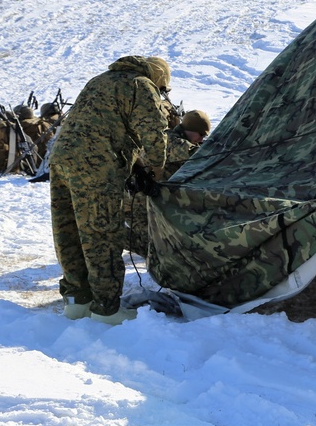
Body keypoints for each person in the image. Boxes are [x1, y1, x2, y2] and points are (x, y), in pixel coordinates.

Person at [50, 56, 170, 325]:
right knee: (101, 233)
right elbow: (153, 130)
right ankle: (106, 309)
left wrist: (135, 164)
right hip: (95, 164)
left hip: (61, 159)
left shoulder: (100, 80)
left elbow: (104, 124)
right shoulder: (142, 85)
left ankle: (77, 300)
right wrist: (155, 171)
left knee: (67, 228)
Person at [126, 109, 211, 256]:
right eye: (201, 134)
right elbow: (197, 155)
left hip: (152, 203)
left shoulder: (175, 138)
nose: (202, 139)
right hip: (139, 207)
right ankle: (112, 236)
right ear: (190, 130)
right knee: (159, 251)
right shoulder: (170, 141)